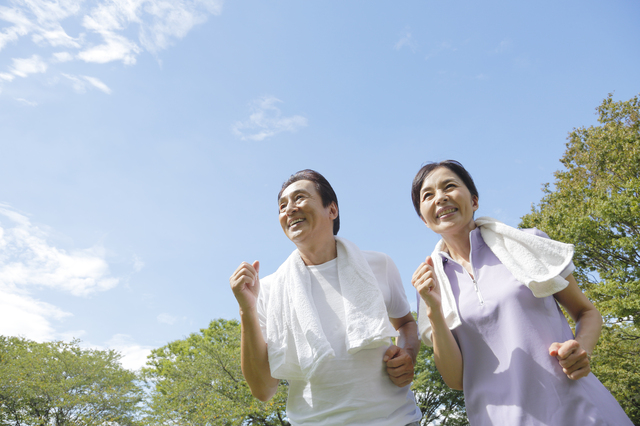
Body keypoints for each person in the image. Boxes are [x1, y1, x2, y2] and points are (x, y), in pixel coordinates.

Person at [410, 160, 633, 425]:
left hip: (580, 411)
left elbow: (587, 312)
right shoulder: (430, 283)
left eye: (449, 186)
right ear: (424, 219)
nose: (441, 197)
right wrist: (434, 310)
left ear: (474, 200)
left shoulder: (528, 244)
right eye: (428, 195)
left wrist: (581, 348)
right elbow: (456, 379)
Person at [229, 169, 422, 426]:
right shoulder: (268, 289)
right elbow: (263, 389)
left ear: (332, 210)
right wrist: (246, 310)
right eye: (282, 206)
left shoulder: (378, 265)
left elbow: (407, 323)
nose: (289, 209)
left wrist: (408, 353)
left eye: (299, 198)